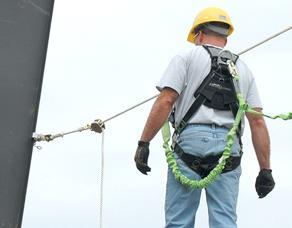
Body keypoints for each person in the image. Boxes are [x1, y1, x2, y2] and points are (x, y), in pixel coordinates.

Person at [134, 6, 275, 228]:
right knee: (225, 222)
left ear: (198, 34)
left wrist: (144, 143)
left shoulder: (186, 56)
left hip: (190, 143)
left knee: (178, 222)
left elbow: (166, 100)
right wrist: (265, 169)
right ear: (225, 39)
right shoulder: (243, 68)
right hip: (228, 149)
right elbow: (257, 121)